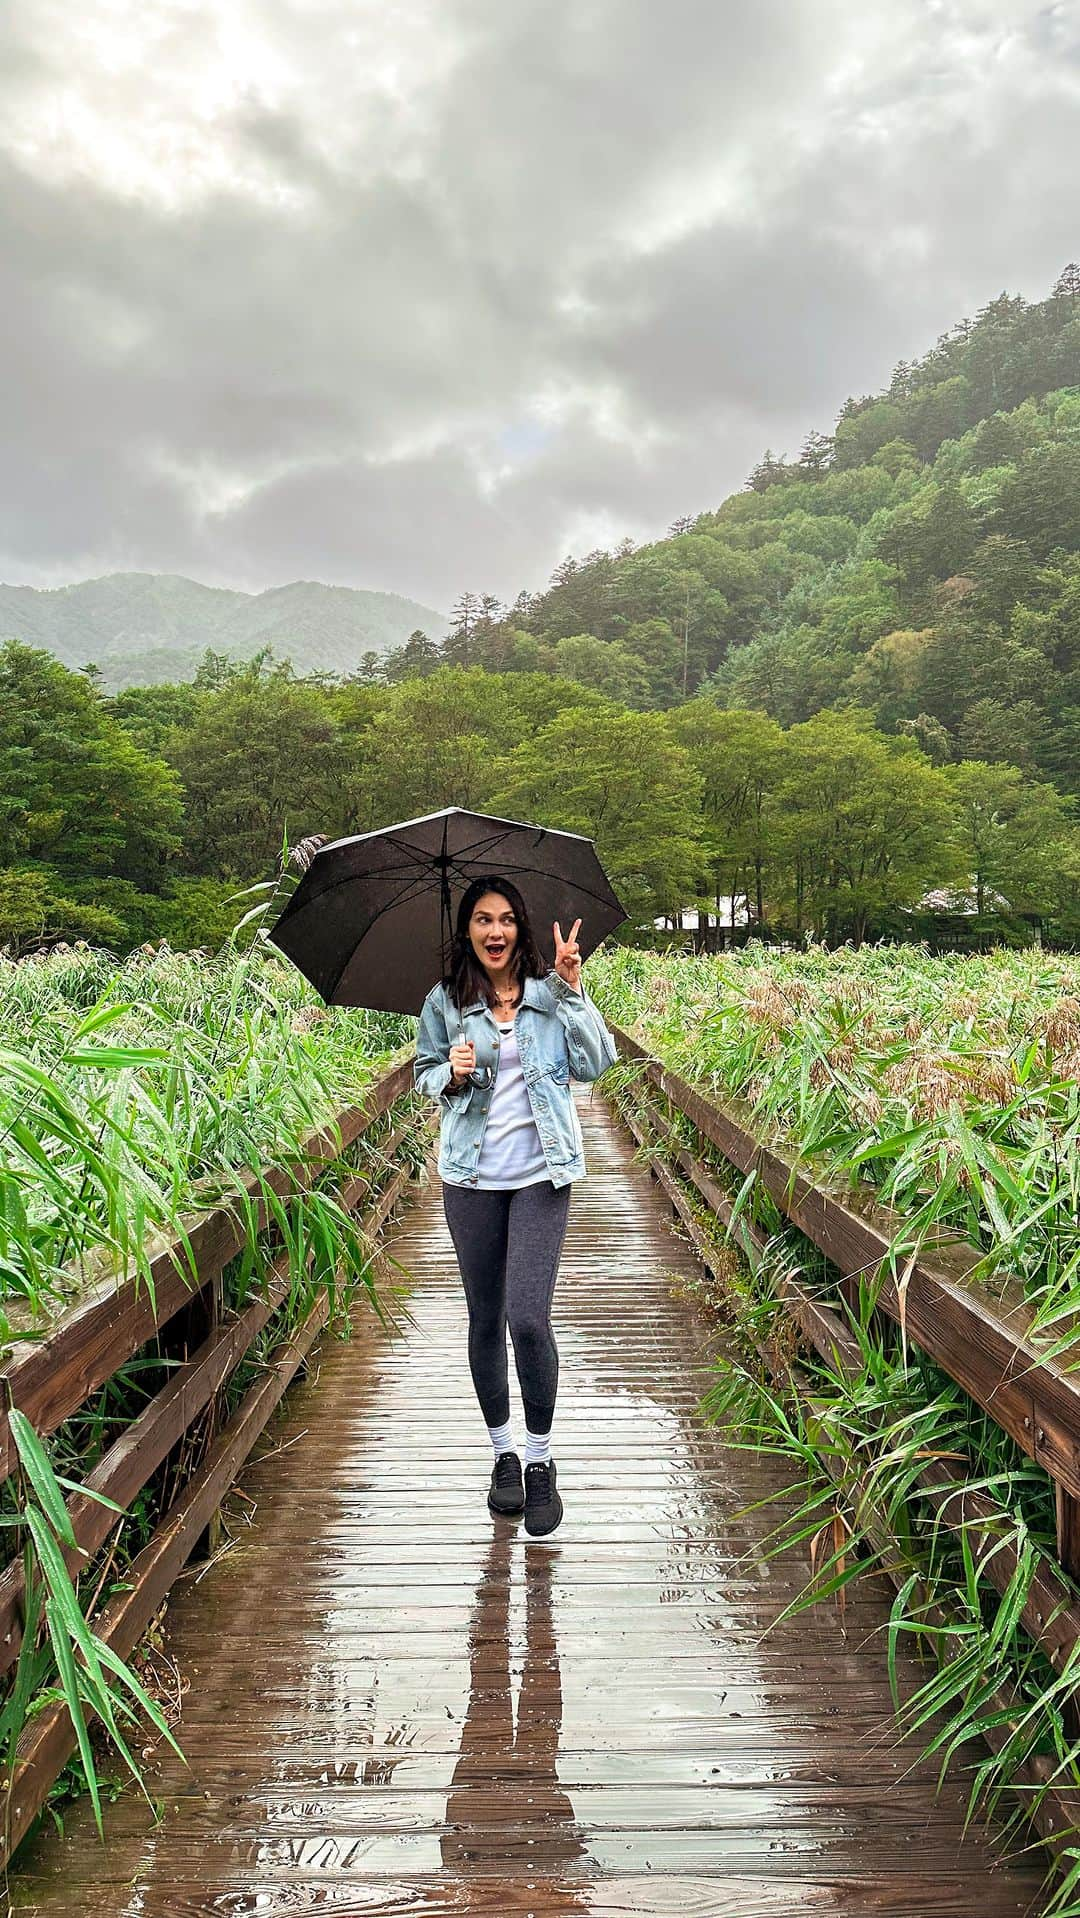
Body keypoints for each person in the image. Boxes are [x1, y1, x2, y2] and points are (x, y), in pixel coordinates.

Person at [414, 874, 618, 1537]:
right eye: (481, 920)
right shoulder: (444, 1002)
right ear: (466, 930)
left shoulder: (549, 996)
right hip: (470, 1180)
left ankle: (539, 1460)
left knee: (528, 1317)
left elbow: (599, 1064)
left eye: (504, 920)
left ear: (520, 929)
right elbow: (421, 1074)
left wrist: (574, 990)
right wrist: (452, 1070)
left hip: (541, 1176)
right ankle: (501, 1452)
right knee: (483, 1317)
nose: (494, 931)